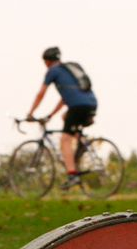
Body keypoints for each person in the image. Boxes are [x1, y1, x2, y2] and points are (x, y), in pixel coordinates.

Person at [26, 46, 98, 188]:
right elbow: (66, 98)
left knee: (65, 139)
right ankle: (82, 142)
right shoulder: (69, 70)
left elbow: (41, 94)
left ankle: (72, 175)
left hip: (77, 107)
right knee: (66, 118)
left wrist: (30, 113)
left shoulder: (53, 72)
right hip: (91, 103)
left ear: (47, 61)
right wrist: (51, 115)